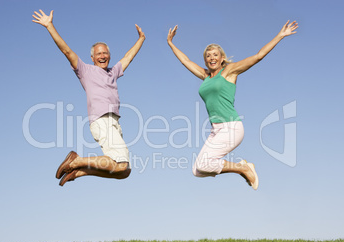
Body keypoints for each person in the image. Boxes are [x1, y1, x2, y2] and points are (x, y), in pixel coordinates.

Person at [167, 21, 298, 190]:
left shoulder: (229, 72)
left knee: (205, 164)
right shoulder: (205, 77)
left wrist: (280, 36)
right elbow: (186, 61)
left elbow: (258, 56)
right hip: (216, 130)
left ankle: (243, 168)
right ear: (205, 61)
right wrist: (171, 43)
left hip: (231, 127)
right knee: (197, 170)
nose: (211, 58)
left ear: (222, 58)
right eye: (208, 56)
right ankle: (242, 168)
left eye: (215, 55)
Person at [32, 9, 145, 186]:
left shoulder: (112, 73)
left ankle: (79, 172)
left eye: (105, 53)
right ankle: (76, 161)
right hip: (103, 119)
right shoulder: (85, 71)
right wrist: (49, 26)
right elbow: (67, 51)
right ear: (92, 57)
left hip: (113, 121)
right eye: (99, 53)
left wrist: (141, 39)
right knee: (121, 164)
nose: (103, 56)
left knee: (124, 172)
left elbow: (128, 57)